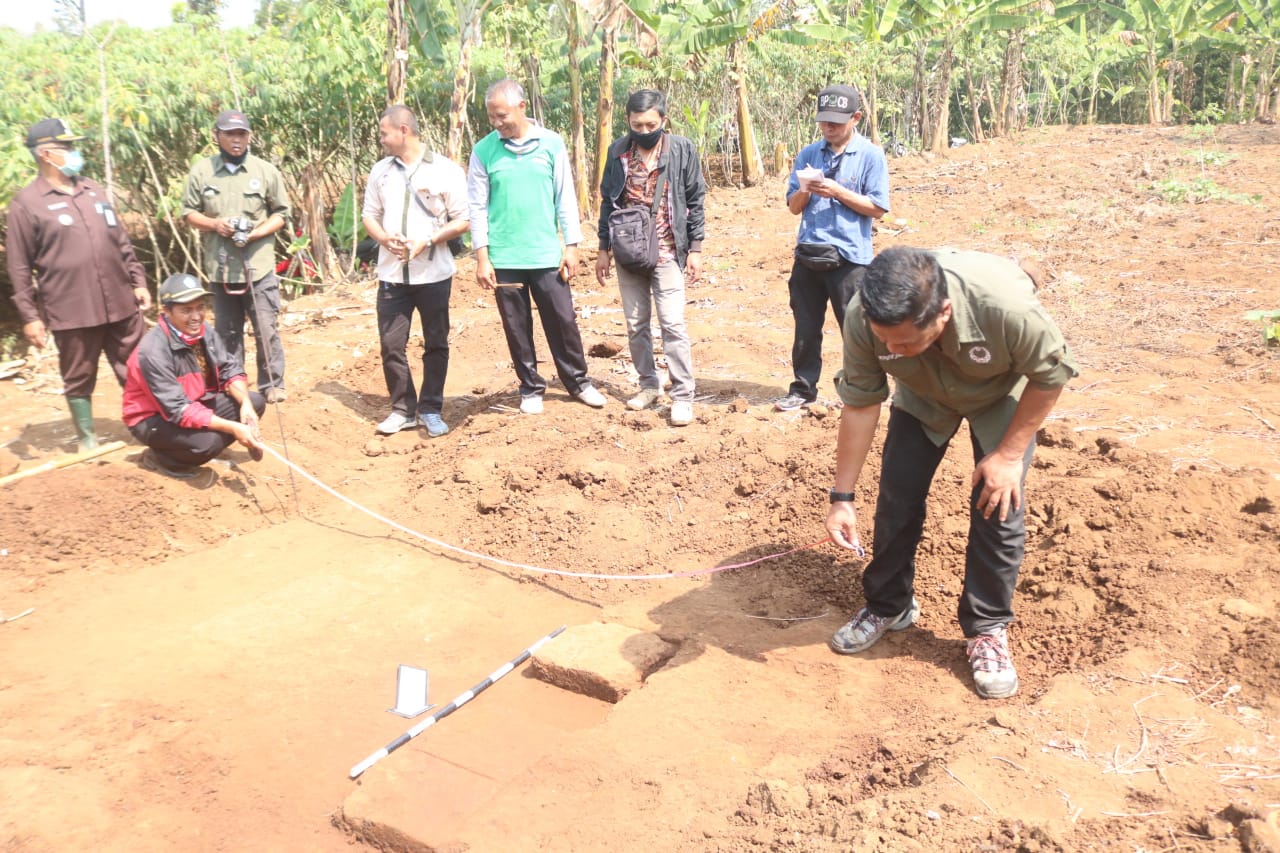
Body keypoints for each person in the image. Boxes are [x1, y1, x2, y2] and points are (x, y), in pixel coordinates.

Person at [824, 247, 1078, 699]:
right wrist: (842, 497)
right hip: (923, 398)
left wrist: (1009, 456)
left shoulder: (1005, 308)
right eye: (886, 341)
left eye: (903, 343)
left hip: (1002, 396)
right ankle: (889, 606)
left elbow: (1051, 374)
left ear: (944, 312)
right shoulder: (866, 314)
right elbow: (861, 402)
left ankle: (987, 630)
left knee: (998, 506)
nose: (891, 350)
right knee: (897, 496)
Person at [6, 117, 151, 452]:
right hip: (72, 308)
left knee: (137, 367)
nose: (74, 153)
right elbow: (19, 265)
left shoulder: (93, 189)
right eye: (66, 147)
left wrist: (137, 280)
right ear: (45, 154)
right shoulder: (27, 203)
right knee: (78, 374)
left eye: (73, 146)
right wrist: (30, 316)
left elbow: (120, 240)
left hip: (120, 301)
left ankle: (148, 427)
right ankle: (87, 439)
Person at [467, 79, 606, 415]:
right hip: (505, 257)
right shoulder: (484, 151)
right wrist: (483, 257)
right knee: (516, 325)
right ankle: (530, 387)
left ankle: (578, 382)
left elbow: (565, 198)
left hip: (545, 253)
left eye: (502, 115)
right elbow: (477, 207)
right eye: (491, 117)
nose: (497, 123)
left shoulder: (551, 144)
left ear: (522, 107)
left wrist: (571, 246)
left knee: (562, 320)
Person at [595, 89, 706, 427]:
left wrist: (696, 249)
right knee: (635, 323)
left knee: (672, 323)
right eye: (636, 125)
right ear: (627, 122)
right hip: (629, 253)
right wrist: (603, 249)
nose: (643, 131)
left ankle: (683, 395)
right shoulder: (617, 152)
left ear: (663, 120)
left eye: (650, 124)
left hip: (669, 250)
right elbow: (607, 202)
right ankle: (648, 385)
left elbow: (695, 198)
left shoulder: (681, 149)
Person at [777, 84, 890, 412]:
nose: (828, 128)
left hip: (850, 259)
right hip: (809, 254)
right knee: (805, 329)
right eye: (824, 122)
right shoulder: (809, 154)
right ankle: (802, 388)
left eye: (836, 123)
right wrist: (806, 191)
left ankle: (863, 390)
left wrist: (838, 191)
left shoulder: (870, 155)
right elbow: (793, 207)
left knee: (855, 330)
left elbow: (878, 208)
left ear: (856, 118)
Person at [361, 104, 470, 437]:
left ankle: (431, 408)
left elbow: (463, 219)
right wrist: (383, 238)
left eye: (384, 133)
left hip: (434, 274)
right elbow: (369, 215)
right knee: (392, 344)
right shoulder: (380, 171)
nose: (380, 139)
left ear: (403, 130)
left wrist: (429, 239)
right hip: (392, 275)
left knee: (436, 342)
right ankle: (402, 409)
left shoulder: (445, 170)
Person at [182, 109, 291, 403]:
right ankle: (234, 385)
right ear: (216, 136)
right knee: (227, 335)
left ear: (250, 137)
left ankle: (272, 384)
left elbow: (282, 213)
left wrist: (256, 232)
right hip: (221, 270)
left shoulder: (265, 171)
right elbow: (188, 213)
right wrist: (215, 225)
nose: (236, 140)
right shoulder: (202, 172)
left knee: (266, 329)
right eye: (230, 134)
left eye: (242, 134)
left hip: (258, 267)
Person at [122, 273, 266, 481]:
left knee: (255, 402)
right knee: (208, 444)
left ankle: (194, 448)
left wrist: (245, 404)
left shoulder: (204, 330)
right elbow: (178, 409)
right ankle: (160, 458)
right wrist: (233, 427)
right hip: (152, 418)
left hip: (193, 401)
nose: (197, 316)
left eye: (200, 307)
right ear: (167, 311)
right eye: (186, 310)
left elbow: (229, 369)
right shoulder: (153, 351)